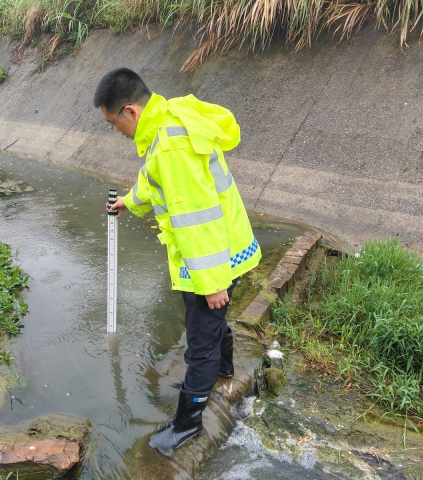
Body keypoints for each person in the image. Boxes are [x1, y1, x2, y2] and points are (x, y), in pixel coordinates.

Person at [94, 68, 261, 456]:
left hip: (212, 260)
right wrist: (128, 202)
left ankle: (187, 426)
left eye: (112, 122)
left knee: (199, 341)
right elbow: (154, 182)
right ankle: (225, 370)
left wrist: (213, 283)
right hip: (222, 250)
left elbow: (197, 218)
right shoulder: (168, 121)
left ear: (130, 112)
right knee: (209, 324)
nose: (114, 130)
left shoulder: (171, 147)